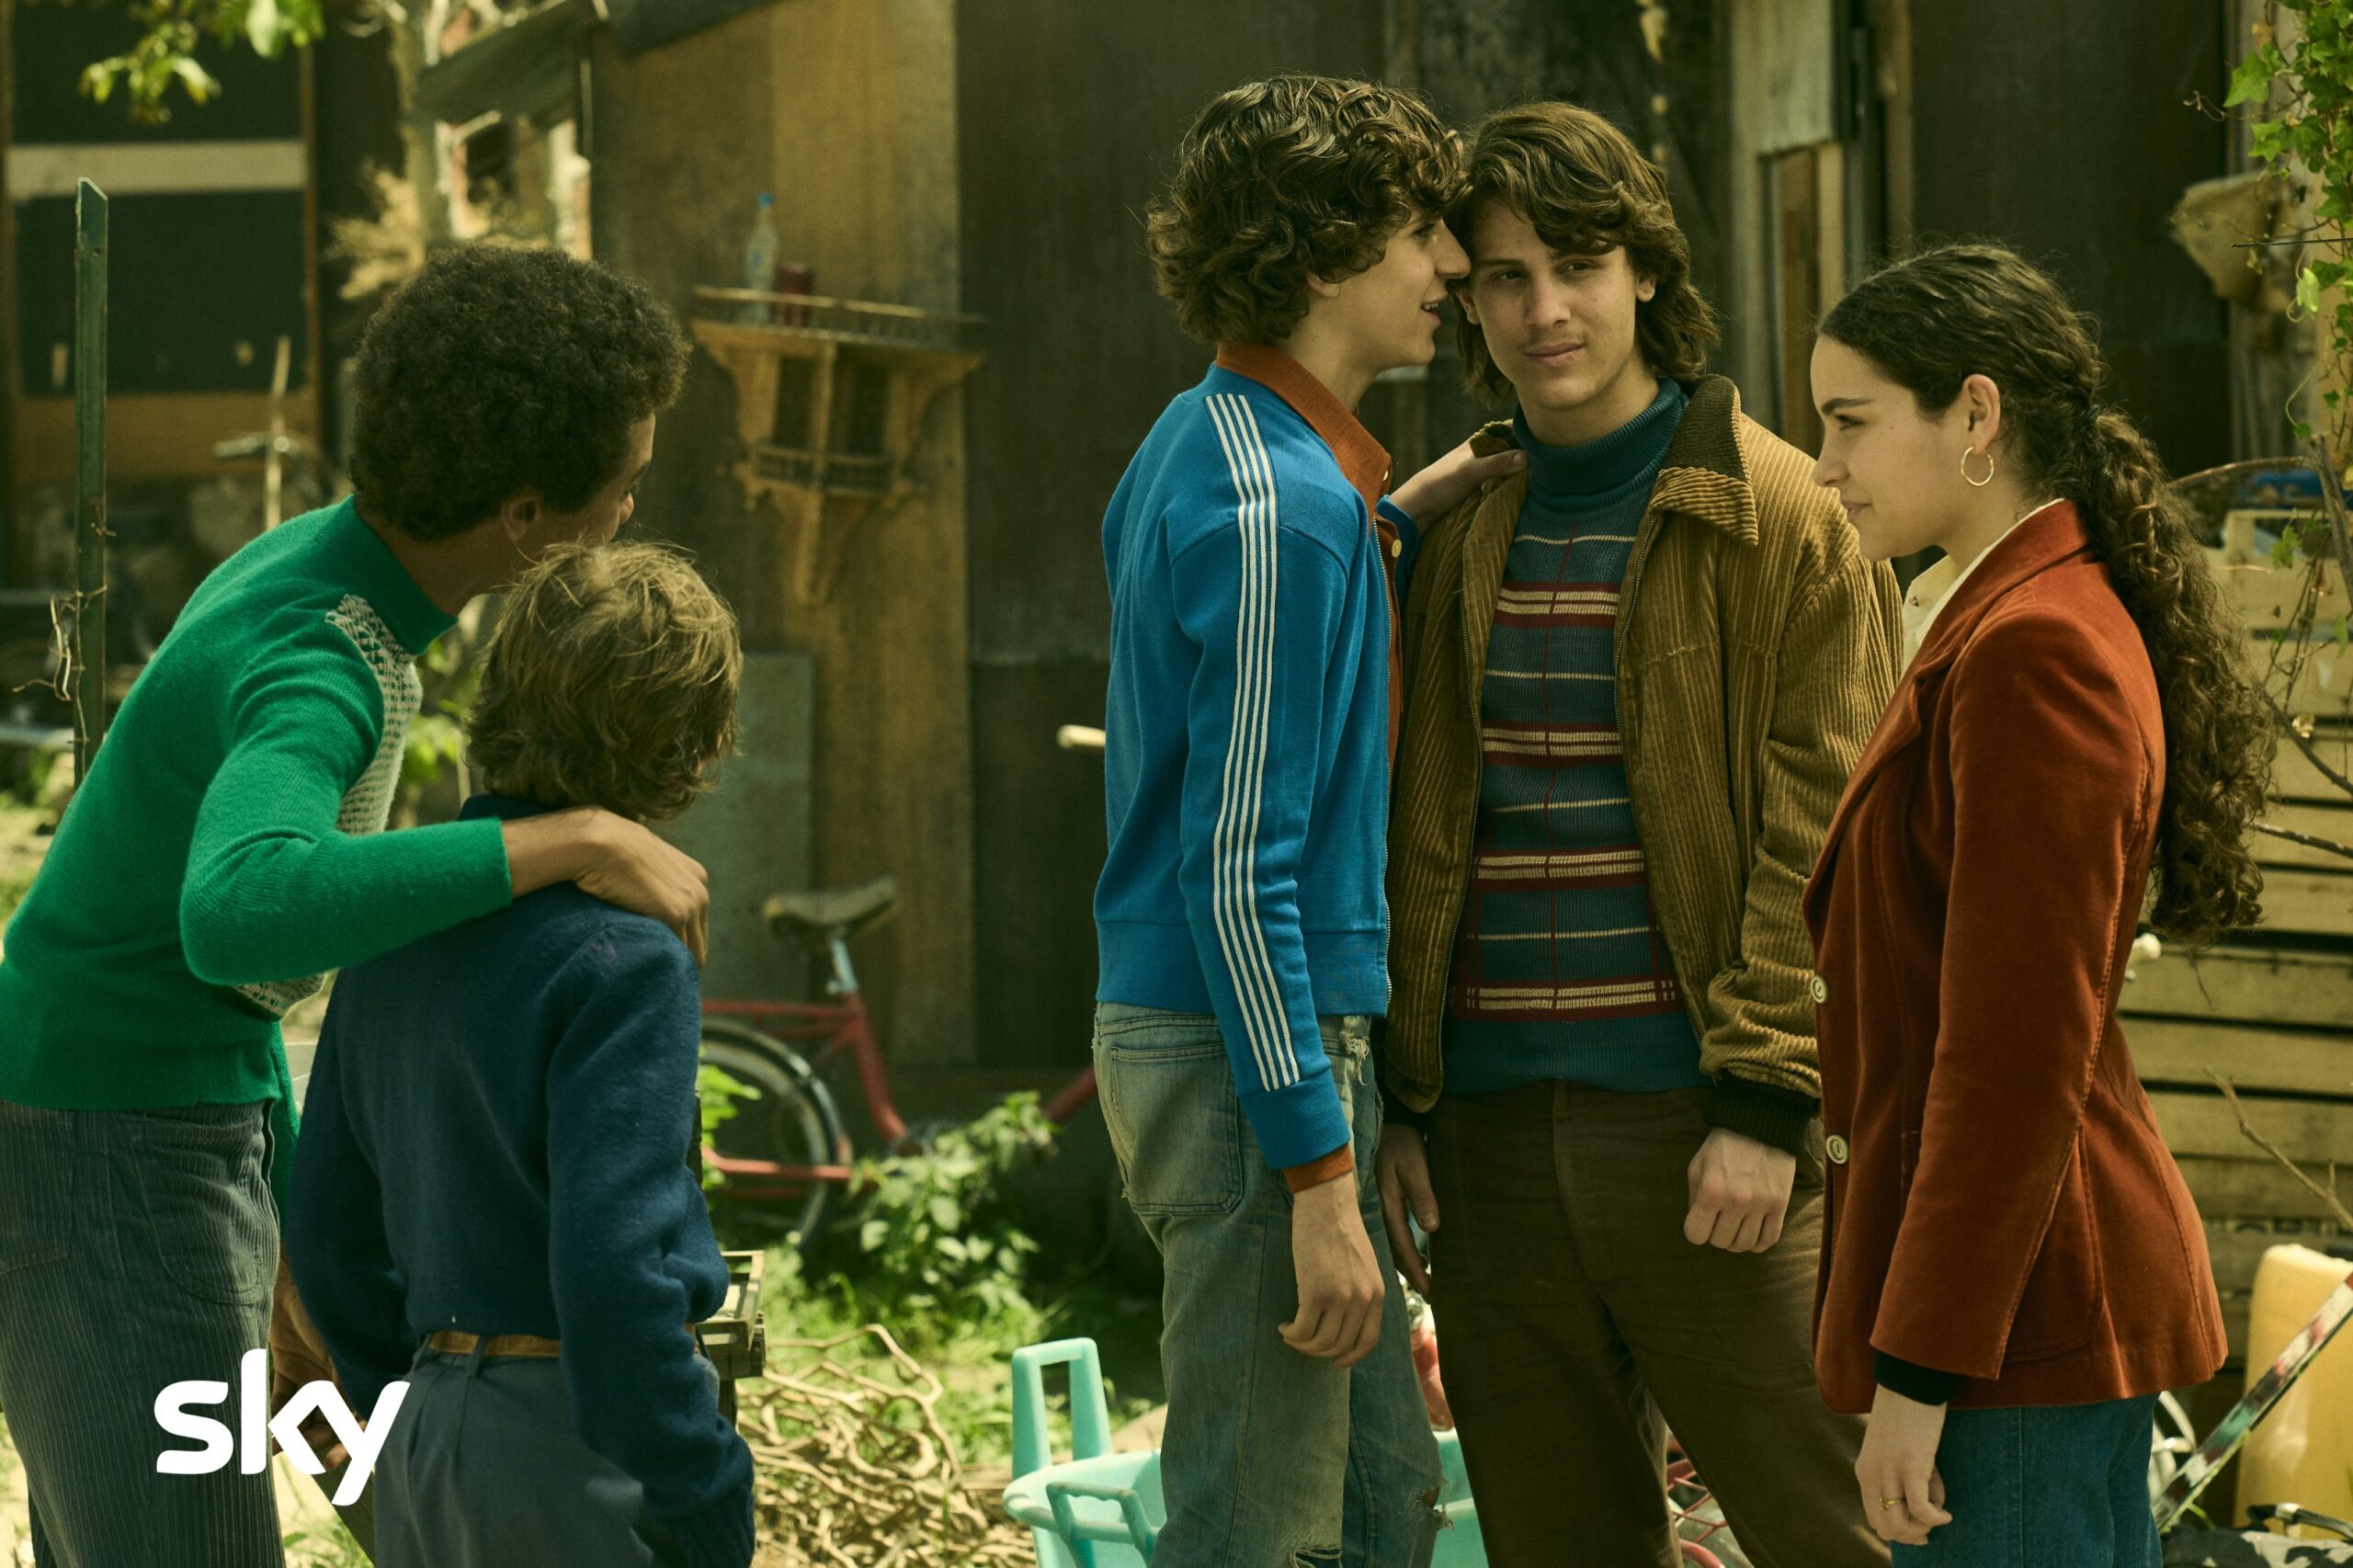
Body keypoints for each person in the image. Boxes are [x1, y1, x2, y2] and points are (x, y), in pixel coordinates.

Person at [0, 243, 707, 1567]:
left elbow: (217, 982)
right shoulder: (323, 656)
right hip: (105, 1151)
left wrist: (274, 1203)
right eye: (620, 486)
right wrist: (570, 836)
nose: (628, 511)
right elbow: (238, 911)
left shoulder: (325, 560)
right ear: (524, 514)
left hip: (150, 1115)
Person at [1374, 101, 1899, 1568]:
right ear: (1466, 298)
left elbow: (1827, 829)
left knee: (1838, 1535)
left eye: (1579, 265)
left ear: (1647, 269)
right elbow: (1406, 826)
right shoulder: (1460, 522)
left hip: (1703, 1135)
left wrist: (1764, 1099)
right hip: (1485, 1150)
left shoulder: (1778, 510)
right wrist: (1406, 1105)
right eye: (1504, 275)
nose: (1544, 310)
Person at [1091, 73, 1522, 1568]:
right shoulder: (1284, 508)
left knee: (1379, 1508)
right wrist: (1318, 1175)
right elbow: (1236, 871)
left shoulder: (1220, 446)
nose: (1451, 267)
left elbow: (1277, 642)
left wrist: (1401, 514)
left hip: (1242, 1048)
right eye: (1419, 233)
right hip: (1251, 1061)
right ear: (1325, 254)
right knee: (1256, 1536)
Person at [1804, 243, 2270, 1563]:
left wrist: (1920, 1368)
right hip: (2019, 1311)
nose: (1824, 464)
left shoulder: (2032, 645)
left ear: (1976, 415)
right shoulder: (1994, 614)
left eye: (1849, 421)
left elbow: (2011, 1058)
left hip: (2018, 1329)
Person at [288, 541, 754, 1568]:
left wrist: (412, 1403)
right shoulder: (625, 958)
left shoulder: (392, 939)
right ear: (685, 745)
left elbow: (324, 1235)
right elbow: (614, 1272)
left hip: (427, 1433)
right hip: (576, 1446)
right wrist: (705, 1483)